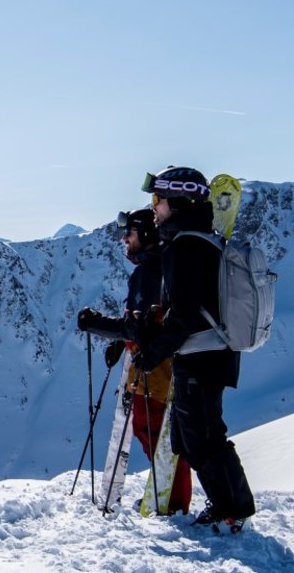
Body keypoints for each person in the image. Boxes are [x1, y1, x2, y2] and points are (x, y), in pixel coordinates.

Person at [131, 165, 257, 532]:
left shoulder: (186, 245)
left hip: (203, 355)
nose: (153, 207)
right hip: (207, 353)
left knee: (203, 437)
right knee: (190, 438)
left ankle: (232, 510)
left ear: (178, 201)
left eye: (158, 199)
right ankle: (228, 506)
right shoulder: (197, 240)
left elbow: (184, 314)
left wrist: (154, 352)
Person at [75, 208, 192, 515]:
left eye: (131, 232)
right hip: (166, 364)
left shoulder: (147, 273)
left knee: (152, 431)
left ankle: (172, 503)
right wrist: (121, 341)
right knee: (161, 433)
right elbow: (145, 322)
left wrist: (96, 324)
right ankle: (171, 499)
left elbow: (136, 327)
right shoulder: (166, 266)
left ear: (147, 235)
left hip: (153, 369)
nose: (124, 238)